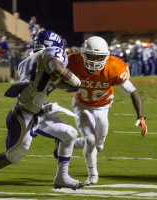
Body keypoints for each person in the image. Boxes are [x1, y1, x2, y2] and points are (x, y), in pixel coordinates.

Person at [0, 30, 84, 192]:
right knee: (13, 156)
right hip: (25, 115)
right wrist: (74, 80)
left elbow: (52, 81)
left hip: (36, 110)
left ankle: (62, 178)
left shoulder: (28, 60)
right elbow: (57, 68)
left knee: (69, 134)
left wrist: (70, 87)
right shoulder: (52, 52)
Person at [55, 36, 147, 186]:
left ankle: (66, 143)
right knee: (91, 140)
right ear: (83, 54)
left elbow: (133, 92)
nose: (95, 60)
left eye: (99, 57)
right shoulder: (72, 61)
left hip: (103, 107)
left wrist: (141, 116)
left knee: (98, 146)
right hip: (82, 105)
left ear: (106, 56)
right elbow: (54, 80)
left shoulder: (114, 67)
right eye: (91, 56)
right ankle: (93, 175)